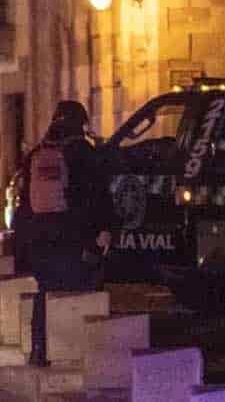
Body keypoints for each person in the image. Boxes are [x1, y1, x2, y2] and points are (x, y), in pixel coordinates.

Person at [15, 101, 113, 367]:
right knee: (83, 293)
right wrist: (102, 231)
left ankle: (39, 350)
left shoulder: (37, 153)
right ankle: (80, 357)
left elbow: (25, 204)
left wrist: (22, 245)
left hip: (39, 242)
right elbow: (97, 197)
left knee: (46, 292)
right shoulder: (83, 152)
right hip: (72, 239)